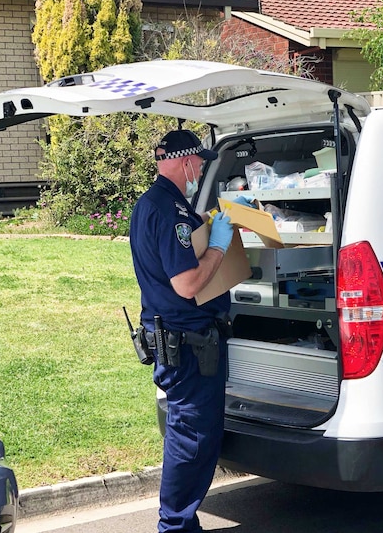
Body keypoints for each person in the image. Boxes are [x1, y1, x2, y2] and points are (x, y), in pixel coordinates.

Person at [129, 129, 245, 533]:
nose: (201, 169)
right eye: (200, 162)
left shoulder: (153, 204)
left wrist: (207, 225)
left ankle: (179, 523)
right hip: (189, 344)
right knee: (191, 439)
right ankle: (175, 526)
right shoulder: (170, 212)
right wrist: (217, 246)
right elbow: (188, 284)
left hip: (179, 339)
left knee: (190, 434)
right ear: (185, 162)